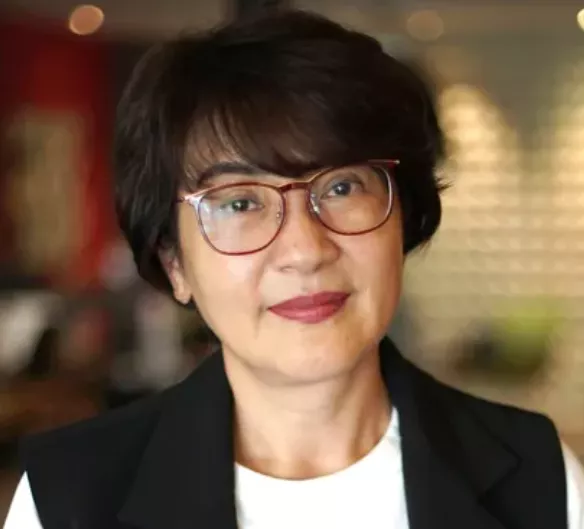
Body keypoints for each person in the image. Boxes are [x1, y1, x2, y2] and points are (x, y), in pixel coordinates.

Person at [4, 9, 584, 529]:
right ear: (174, 264)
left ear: (402, 216)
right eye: (239, 203)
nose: (306, 250)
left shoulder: (540, 479)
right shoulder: (70, 498)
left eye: (342, 187)